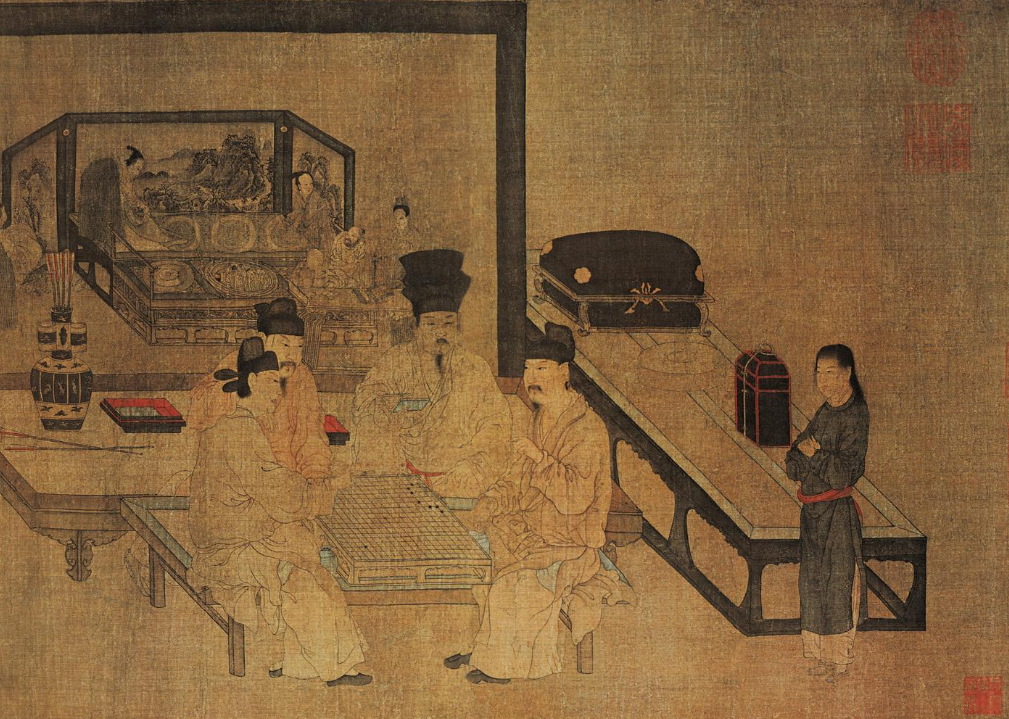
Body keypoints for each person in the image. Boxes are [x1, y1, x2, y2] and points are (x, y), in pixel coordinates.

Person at [443, 322, 631, 684]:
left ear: (564, 373)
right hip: (533, 529)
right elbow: (517, 476)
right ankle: (485, 649)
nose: (531, 378)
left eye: (541, 369)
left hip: (569, 540)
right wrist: (490, 501)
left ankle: (501, 665)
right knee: (480, 566)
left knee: (517, 587)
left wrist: (540, 459)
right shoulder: (541, 416)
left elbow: (575, 498)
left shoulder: (586, 428)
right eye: (528, 369)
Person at [187, 337, 370, 686]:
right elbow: (281, 493)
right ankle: (332, 666)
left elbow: (275, 486)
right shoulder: (237, 431)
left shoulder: (239, 425)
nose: (278, 393)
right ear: (253, 381)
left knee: (307, 565)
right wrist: (329, 488)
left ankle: (304, 662)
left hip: (241, 538)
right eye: (273, 383)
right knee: (303, 578)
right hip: (227, 550)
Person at [124, 298, 332, 596]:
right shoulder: (240, 365)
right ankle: (145, 554)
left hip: (282, 484)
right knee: (192, 500)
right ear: (263, 340)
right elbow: (199, 410)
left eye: (298, 347)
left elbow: (311, 438)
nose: (292, 355)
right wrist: (244, 395)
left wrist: (316, 480)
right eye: (284, 345)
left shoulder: (302, 378)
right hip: (238, 479)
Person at [351, 249, 512, 498]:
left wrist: (473, 467)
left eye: (448, 323)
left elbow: (496, 425)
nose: (440, 332)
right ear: (416, 327)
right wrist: (392, 408)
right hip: (402, 475)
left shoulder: (474, 366)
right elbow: (365, 402)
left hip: (461, 478)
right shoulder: (396, 360)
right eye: (431, 324)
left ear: (458, 325)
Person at [786, 344, 869, 684]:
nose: (822, 380)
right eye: (818, 373)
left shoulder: (856, 414)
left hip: (837, 513)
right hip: (813, 513)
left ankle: (838, 661)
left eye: (830, 373)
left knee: (837, 584)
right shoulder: (825, 411)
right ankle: (819, 657)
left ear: (847, 373)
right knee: (812, 583)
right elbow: (793, 459)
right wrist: (806, 457)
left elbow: (843, 474)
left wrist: (815, 455)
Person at [285, 172, 333, 250]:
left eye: (311, 184)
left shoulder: (316, 198)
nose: (309, 187)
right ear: (299, 186)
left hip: (316, 235)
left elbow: (307, 219)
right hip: (302, 234)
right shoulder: (295, 198)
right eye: (305, 184)